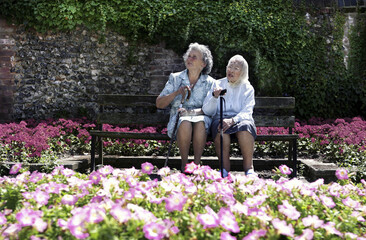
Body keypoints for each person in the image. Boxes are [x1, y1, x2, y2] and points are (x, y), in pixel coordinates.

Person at [156, 43, 215, 172]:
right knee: (185, 122)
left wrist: (192, 112)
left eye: (194, 57)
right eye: (189, 56)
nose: (190, 59)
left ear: (203, 64)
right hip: (180, 120)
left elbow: (211, 108)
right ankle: (184, 165)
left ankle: (196, 165)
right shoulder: (176, 78)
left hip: (201, 119)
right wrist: (177, 92)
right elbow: (159, 103)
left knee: (200, 122)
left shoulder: (210, 82)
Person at [202, 55, 256, 177]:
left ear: (242, 72)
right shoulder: (217, 84)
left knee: (245, 128)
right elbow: (207, 110)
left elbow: (247, 111)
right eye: (229, 66)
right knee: (221, 129)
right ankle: (224, 170)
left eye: (235, 68)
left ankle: (249, 169)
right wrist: (214, 97)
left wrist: (233, 120)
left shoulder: (247, 88)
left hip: (240, 118)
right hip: (220, 118)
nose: (230, 70)